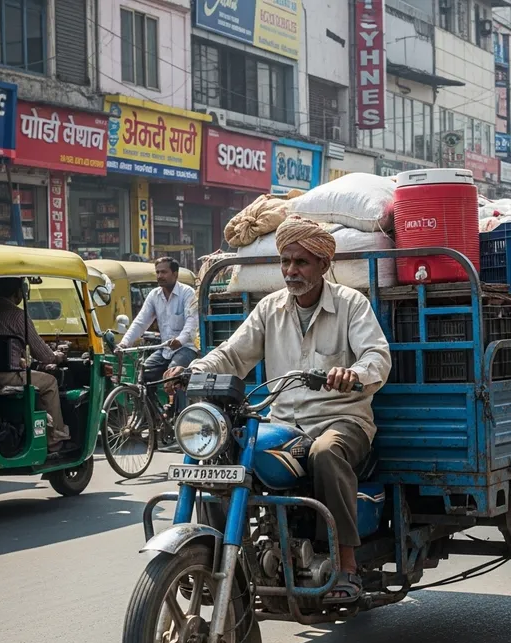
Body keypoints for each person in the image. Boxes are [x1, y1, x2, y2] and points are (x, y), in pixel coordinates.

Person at [166, 216, 392, 604]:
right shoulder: (269, 308)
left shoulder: (351, 304)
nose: (290, 271)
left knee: (325, 453)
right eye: (285, 261)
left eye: (301, 262)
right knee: (223, 454)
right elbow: (232, 354)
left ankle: (346, 565)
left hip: (342, 420)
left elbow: (377, 356)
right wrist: (194, 370)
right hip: (283, 421)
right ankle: (216, 556)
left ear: (323, 264)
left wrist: (353, 374)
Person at [0, 277, 70, 453]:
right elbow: (42, 354)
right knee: (50, 382)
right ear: (19, 292)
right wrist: (56, 356)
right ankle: (54, 439)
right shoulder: (18, 315)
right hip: (8, 376)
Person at [116, 257, 199, 399]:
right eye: (158, 272)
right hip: (165, 349)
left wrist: (180, 340)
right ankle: (151, 411)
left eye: (164, 272)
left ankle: (180, 411)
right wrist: (124, 343)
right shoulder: (154, 295)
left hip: (186, 348)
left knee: (173, 375)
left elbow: (192, 322)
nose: (160, 276)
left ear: (175, 274)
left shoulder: (187, 293)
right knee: (143, 375)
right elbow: (141, 322)